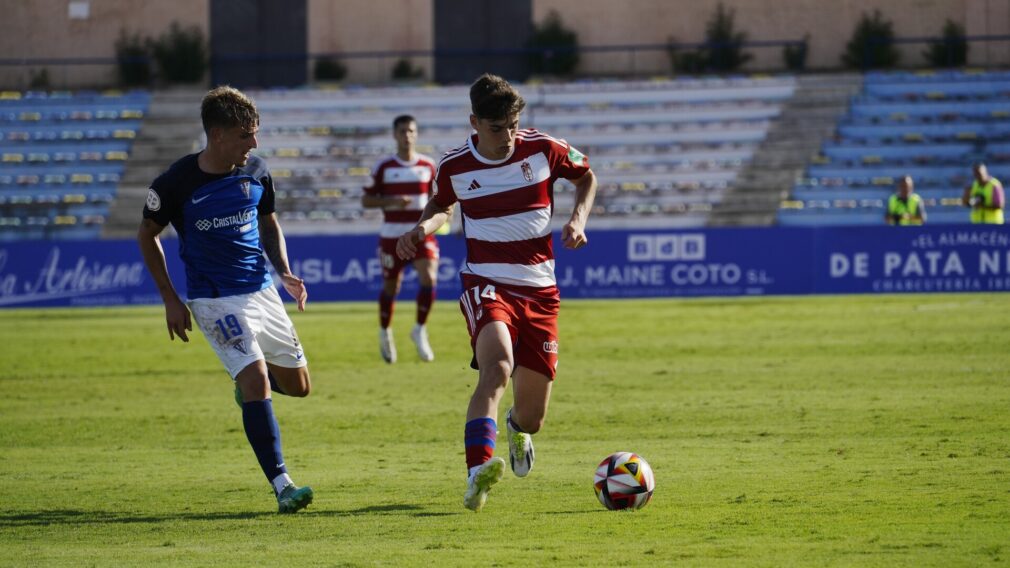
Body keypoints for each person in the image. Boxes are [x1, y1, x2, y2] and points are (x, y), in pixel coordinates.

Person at [396, 73, 598, 512]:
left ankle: (513, 426)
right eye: (495, 127)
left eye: (512, 124)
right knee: (497, 367)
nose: (507, 136)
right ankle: (476, 475)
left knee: (533, 418)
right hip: (486, 282)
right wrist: (420, 228)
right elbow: (440, 207)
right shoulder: (454, 166)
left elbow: (587, 177)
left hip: (541, 291)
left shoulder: (544, 148)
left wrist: (578, 219)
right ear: (474, 122)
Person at [137, 86, 314, 514]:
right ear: (217, 136)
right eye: (244, 135)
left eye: (254, 134)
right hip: (214, 300)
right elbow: (147, 234)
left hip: (261, 291)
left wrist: (283, 269)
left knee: (299, 386)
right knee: (256, 380)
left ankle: (247, 393)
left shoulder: (256, 171)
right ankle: (283, 485)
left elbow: (269, 222)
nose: (254, 144)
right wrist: (170, 298)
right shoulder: (175, 183)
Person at [362, 115, 439, 364]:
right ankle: (385, 331)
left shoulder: (428, 166)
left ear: (416, 134)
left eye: (411, 131)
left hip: (419, 235)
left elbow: (438, 201)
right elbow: (366, 200)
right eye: (403, 131)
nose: (407, 135)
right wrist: (392, 201)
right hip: (391, 237)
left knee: (429, 277)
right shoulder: (384, 167)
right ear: (395, 135)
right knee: (391, 287)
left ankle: (419, 330)